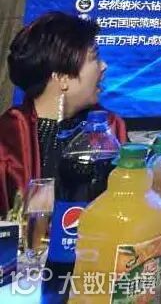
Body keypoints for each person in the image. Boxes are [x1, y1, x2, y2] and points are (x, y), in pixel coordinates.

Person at [0, 12, 126, 215]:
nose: (104, 66)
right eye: (94, 58)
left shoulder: (110, 127)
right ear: (62, 78)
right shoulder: (8, 137)